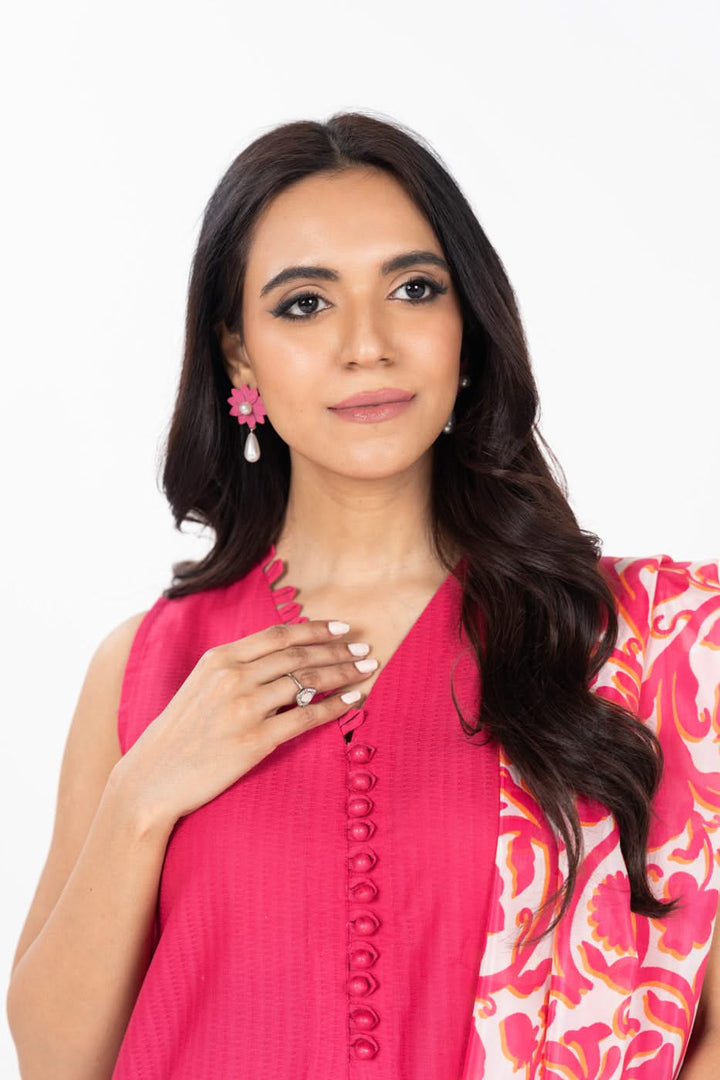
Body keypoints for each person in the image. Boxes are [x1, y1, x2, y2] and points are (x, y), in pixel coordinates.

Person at [6, 111, 719, 1080]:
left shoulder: (636, 646)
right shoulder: (146, 671)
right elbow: (55, 1060)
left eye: (413, 289)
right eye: (304, 304)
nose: (367, 344)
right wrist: (145, 794)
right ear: (238, 355)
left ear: (467, 330)